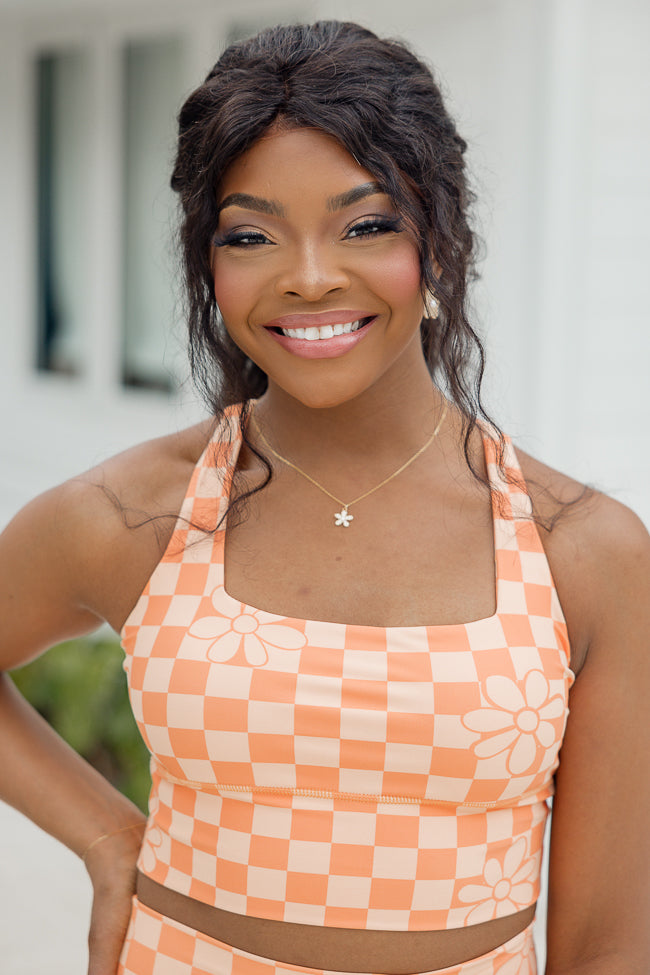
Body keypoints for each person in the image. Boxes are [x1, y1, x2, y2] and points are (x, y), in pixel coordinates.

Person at [0, 19, 648, 975]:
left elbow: (608, 942)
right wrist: (104, 836)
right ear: (208, 266)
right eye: (253, 234)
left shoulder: (585, 552)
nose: (309, 277)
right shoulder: (134, 515)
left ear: (439, 239)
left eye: (366, 224)